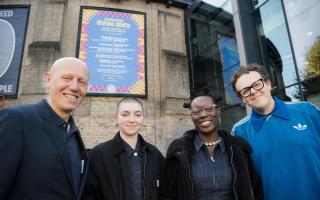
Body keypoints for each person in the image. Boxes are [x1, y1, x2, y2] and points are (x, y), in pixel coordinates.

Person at [0, 57, 90, 200]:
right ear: (49, 79)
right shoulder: (16, 120)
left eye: (82, 82)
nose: (74, 87)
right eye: (67, 78)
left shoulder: (75, 136)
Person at [231, 63, 320, 200]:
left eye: (257, 84)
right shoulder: (239, 132)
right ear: (243, 99)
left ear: (268, 84)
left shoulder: (307, 111)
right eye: (245, 91)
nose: (253, 91)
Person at [160, 88, 263, 200]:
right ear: (191, 116)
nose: (203, 115)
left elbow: (255, 189)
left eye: (208, 109)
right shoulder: (179, 152)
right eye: (196, 112)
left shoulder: (239, 149)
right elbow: (167, 194)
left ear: (218, 111)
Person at [81, 97, 164, 200]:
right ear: (116, 117)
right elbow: (87, 195)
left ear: (143, 118)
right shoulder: (98, 155)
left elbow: (165, 192)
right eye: (125, 114)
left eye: (137, 115)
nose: (132, 120)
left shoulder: (154, 154)